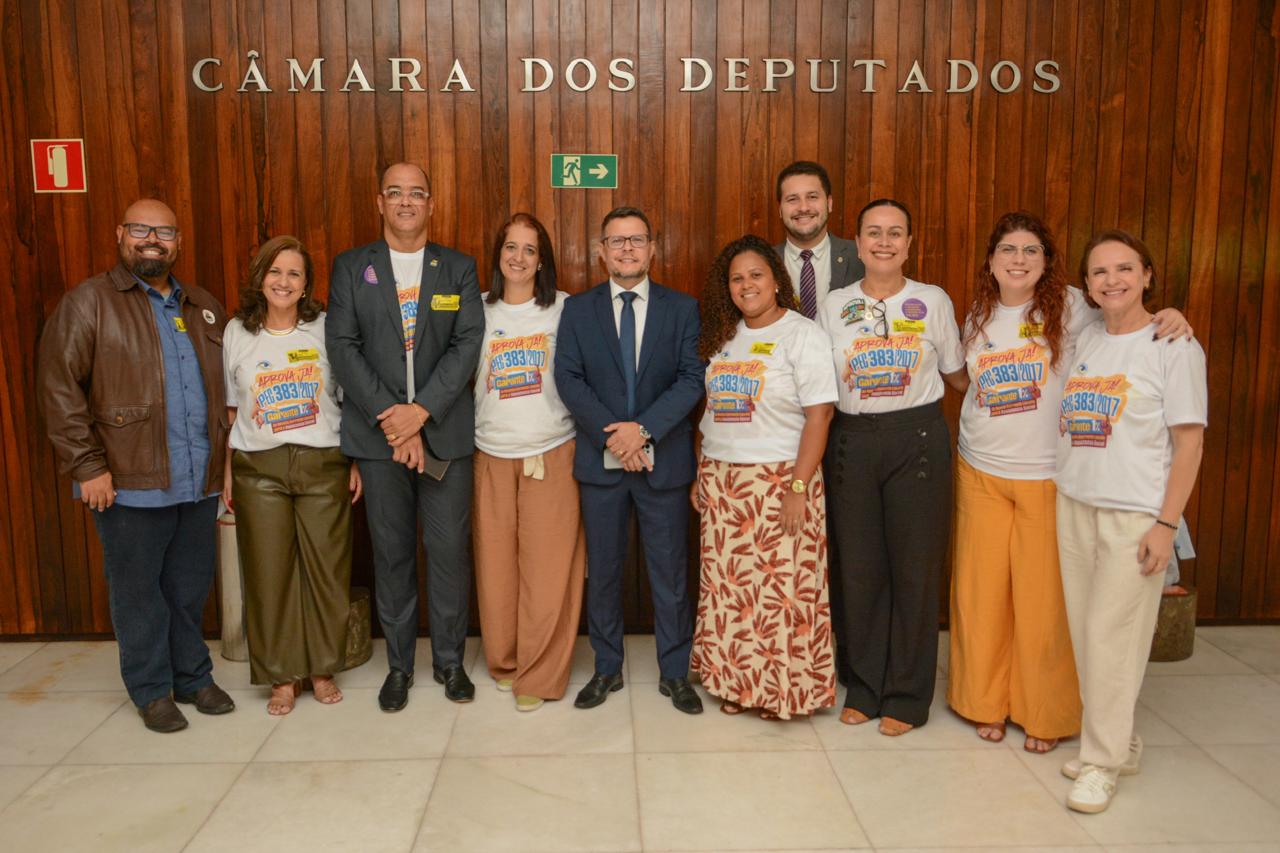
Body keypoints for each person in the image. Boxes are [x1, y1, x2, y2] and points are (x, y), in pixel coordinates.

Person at [948, 212, 1191, 753]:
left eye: (1031, 250)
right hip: (979, 470)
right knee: (980, 596)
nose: (1018, 260)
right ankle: (983, 703)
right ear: (990, 260)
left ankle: (1044, 711)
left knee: (1043, 605)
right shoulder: (978, 313)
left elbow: (1129, 320)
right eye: (1008, 250)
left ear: (1048, 261)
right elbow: (965, 381)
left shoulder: (1076, 307)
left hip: (1048, 476)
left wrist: (1171, 315)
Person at [37, 198, 235, 733]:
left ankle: (192, 676)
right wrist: (86, 466)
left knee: (188, 588)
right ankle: (151, 690)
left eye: (164, 232)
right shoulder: (89, 303)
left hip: (197, 479)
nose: (153, 240)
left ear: (178, 242)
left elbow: (228, 388)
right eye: (142, 229)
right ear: (120, 234)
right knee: (138, 592)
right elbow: (58, 389)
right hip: (126, 482)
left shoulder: (203, 306)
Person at [1055, 230, 1206, 814]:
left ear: (1147, 275)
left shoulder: (1174, 346)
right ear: (1087, 285)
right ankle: (1121, 741)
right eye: (1099, 272)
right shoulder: (1087, 336)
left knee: (1112, 639)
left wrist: (1166, 525)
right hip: (1075, 502)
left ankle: (1100, 762)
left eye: (1124, 269)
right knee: (1086, 636)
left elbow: (1188, 444)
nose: (1112, 280)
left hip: (1135, 514)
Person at [326, 163, 484, 711]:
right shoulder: (352, 267)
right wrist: (392, 418)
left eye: (417, 192)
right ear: (380, 202)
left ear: (431, 204)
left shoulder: (458, 268)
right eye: (395, 192)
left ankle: (449, 662)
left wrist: (419, 413)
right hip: (378, 439)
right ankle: (399, 667)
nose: (406, 201)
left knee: (448, 554)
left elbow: (467, 344)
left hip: (444, 434)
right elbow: (342, 347)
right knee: (391, 555)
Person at [818, 198, 967, 736]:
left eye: (895, 232)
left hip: (917, 440)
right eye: (874, 233)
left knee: (915, 571)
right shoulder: (834, 305)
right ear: (857, 244)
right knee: (860, 570)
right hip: (852, 441)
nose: (884, 242)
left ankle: (906, 696)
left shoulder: (933, 300)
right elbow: (817, 380)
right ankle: (863, 687)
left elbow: (958, 375)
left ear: (909, 243)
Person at [554, 206, 706, 714]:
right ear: (601, 251)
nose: (626, 249)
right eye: (616, 241)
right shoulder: (578, 310)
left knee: (670, 574)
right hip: (602, 466)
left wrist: (641, 431)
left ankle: (675, 672)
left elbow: (691, 379)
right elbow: (569, 379)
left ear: (652, 248)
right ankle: (606, 668)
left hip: (664, 465)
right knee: (604, 573)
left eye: (636, 240)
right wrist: (617, 438)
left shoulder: (681, 308)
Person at [690, 235, 837, 720]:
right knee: (732, 592)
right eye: (736, 278)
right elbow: (710, 410)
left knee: (781, 593)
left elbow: (820, 415)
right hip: (724, 482)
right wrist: (701, 472)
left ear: (777, 281)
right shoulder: (724, 336)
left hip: (780, 480)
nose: (746, 285)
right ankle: (735, 684)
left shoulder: (802, 335)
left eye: (756, 275)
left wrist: (797, 487)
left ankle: (782, 691)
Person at [223, 235, 363, 715]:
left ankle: (322, 669)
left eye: (294, 273)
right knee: (269, 574)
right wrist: (227, 471)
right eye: (275, 271)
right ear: (261, 277)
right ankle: (282, 677)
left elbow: (349, 397)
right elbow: (231, 410)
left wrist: (356, 461)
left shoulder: (325, 329)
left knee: (327, 571)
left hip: (323, 462)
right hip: (258, 467)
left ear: (306, 285)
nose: (283, 281)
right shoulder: (236, 332)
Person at [472, 213, 585, 712]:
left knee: (548, 573)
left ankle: (539, 674)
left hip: (551, 451)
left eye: (529, 249)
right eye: (510, 247)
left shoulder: (564, 309)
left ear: (543, 261)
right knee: (496, 571)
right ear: (498, 254)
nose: (518, 257)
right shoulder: (477, 308)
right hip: (490, 452)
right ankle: (505, 662)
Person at [773, 160, 865, 688]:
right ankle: (792, 649)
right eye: (792, 198)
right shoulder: (761, 264)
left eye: (812, 197)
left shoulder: (862, 254)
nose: (803, 207)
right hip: (785, 430)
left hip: (852, 421)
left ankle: (849, 657)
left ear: (830, 203)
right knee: (792, 543)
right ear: (780, 207)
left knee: (850, 544)